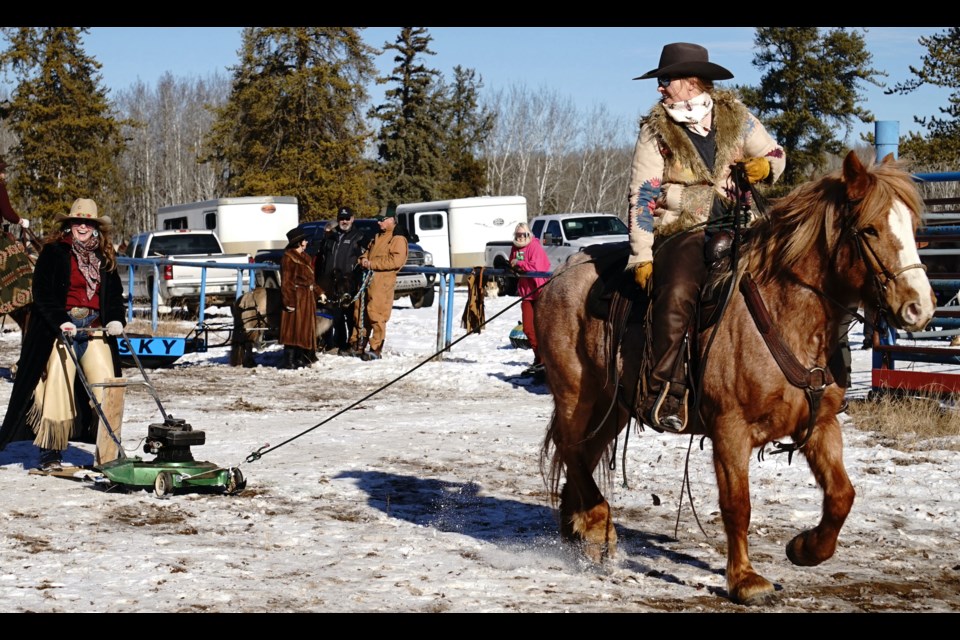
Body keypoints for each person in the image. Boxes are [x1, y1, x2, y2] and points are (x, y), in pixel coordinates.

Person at [626, 42, 785, 431]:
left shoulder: (736, 116)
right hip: (683, 230)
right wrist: (642, 255)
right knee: (678, 291)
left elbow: (777, 154)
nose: (660, 88)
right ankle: (664, 391)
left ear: (691, 81)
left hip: (741, 225)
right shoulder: (656, 130)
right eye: (660, 81)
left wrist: (765, 166)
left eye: (666, 80)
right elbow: (644, 193)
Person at [0, 198, 126, 471]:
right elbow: (42, 294)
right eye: (77, 221)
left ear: (95, 227)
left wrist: (116, 319)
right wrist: (60, 321)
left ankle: (109, 451)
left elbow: (115, 296)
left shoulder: (104, 257)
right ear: (69, 224)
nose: (82, 226)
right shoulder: (54, 252)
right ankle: (51, 453)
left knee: (109, 387)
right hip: (61, 331)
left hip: (95, 329)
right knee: (57, 384)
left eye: (87, 222)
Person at [350, 209, 408, 361]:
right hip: (367, 280)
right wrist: (363, 259)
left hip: (382, 283)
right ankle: (358, 343)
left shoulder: (397, 239)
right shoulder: (376, 236)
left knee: (376, 314)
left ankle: (375, 347)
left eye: (381, 220)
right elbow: (367, 252)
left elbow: (396, 261)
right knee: (359, 311)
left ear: (390, 220)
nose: (378, 222)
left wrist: (372, 264)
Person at [315, 206, 366, 355]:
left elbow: (363, 258)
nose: (344, 221)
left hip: (349, 283)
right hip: (331, 283)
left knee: (350, 315)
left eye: (347, 218)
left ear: (352, 219)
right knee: (333, 315)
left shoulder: (358, 237)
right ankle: (334, 343)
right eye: (341, 218)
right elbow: (322, 258)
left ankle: (351, 344)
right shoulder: (331, 236)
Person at [509, 222, 551, 378]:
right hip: (526, 293)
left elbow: (537, 267)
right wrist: (512, 267)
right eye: (518, 235)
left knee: (543, 328)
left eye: (523, 235)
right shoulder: (514, 247)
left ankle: (545, 359)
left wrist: (519, 264)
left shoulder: (535, 247)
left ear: (528, 235)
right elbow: (512, 261)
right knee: (528, 328)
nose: (520, 238)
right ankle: (539, 357)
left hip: (540, 292)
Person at [279, 227, 318, 369]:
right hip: (295, 297)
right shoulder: (288, 258)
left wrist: (319, 292)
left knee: (303, 330)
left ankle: (300, 357)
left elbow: (311, 280)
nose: (307, 242)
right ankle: (289, 359)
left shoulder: (306, 257)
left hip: (306, 299)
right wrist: (289, 301)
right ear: (300, 242)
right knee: (292, 329)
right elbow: (286, 281)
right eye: (305, 240)